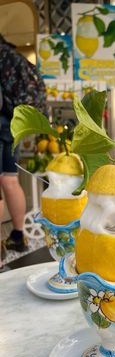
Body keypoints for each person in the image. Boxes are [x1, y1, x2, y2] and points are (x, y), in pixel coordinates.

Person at [0, 34, 47, 267]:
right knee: (10, 179)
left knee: (4, 181)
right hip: (14, 126)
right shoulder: (14, 57)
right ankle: (18, 236)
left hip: (1, 124)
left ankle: (1, 248)